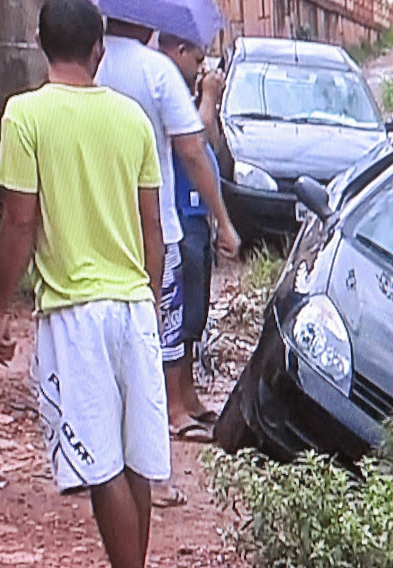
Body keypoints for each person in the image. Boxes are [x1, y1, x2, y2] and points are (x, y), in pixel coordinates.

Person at [0, 1, 168, 566]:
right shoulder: (132, 118)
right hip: (133, 304)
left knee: (102, 468)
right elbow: (152, 227)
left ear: (39, 41)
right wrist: (152, 300)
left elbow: (19, 222)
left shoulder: (24, 116)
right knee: (136, 461)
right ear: (100, 49)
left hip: (73, 311)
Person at [95, 18, 241, 447]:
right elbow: (194, 150)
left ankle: (128, 409)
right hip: (155, 216)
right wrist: (225, 221)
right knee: (165, 316)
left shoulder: (93, 65)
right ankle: (170, 409)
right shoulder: (155, 70)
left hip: (102, 216)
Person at [157, 32, 226, 426]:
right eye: (196, 59)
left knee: (195, 310)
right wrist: (209, 97)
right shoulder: (167, 87)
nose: (200, 68)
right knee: (179, 312)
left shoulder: (183, 92)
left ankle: (188, 393)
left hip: (197, 213)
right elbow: (192, 142)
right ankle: (176, 400)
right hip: (180, 212)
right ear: (179, 50)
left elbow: (210, 143)